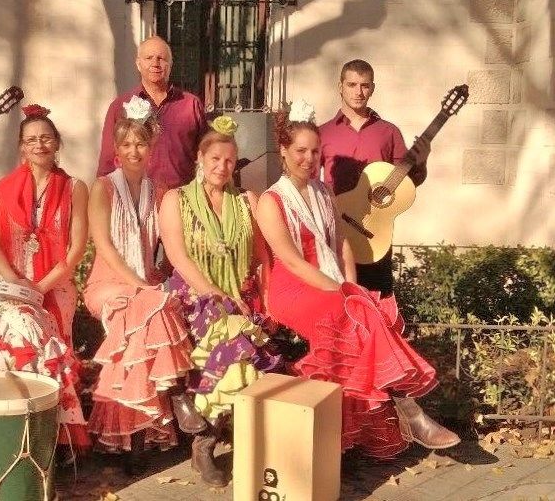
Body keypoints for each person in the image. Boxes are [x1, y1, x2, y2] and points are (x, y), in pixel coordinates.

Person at [257, 104, 460, 458]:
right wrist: (344, 292)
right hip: (291, 289)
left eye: (315, 151)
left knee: (361, 312)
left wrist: (353, 288)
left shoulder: (323, 193)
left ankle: (343, 438)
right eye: (301, 151)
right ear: (284, 151)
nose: (309, 159)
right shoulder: (271, 200)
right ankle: (407, 409)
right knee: (355, 313)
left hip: (329, 285)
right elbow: (291, 261)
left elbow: (342, 245)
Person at [159, 116, 280, 487]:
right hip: (192, 294)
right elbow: (177, 255)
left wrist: (267, 301)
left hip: (240, 296)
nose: (221, 167)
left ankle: (211, 441)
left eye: (229, 161)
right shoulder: (176, 199)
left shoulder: (246, 201)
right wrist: (216, 293)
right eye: (214, 159)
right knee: (231, 337)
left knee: (245, 340)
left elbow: (261, 257)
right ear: (200, 158)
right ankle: (206, 443)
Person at [84, 111, 204, 474]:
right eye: (126, 144)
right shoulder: (103, 188)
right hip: (107, 283)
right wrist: (141, 285)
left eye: (140, 143)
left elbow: (173, 242)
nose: (134, 151)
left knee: (146, 316)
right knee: (152, 304)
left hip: (146, 286)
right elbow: (104, 246)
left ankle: (133, 440)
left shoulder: (160, 191)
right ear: (116, 150)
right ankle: (178, 395)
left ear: (151, 149)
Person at [0, 104, 90, 451]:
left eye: (46, 138)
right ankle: (8, 435)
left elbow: (76, 248)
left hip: (56, 285)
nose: (40, 144)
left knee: (51, 356)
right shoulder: (2, 189)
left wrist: (40, 287)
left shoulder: (74, 188)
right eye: (31, 139)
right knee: (14, 350)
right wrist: (19, 284)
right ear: (22, 147)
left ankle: (52, 439)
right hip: (15, 287)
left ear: (57, 142)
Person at [319, 59, 431, 295]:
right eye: (352, 84)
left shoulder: (389, 132)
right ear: (340, 86)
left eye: (365, 85)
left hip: (375, 233)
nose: (358, 92)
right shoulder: (323, 133)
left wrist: (422, 161)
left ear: (372, 88)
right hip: (335, 231)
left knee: (378, 302)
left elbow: (407, 183)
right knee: (335, 300)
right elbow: (308, 183)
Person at [97, 36, 206, 189]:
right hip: (135, 197)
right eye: (149, 58)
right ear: (138, 64)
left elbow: (206, 154)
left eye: (161, 58)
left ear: (170, 65)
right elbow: (108, 161)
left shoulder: (191, 105)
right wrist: (104, 193)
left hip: (182, 196)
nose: (155, 63)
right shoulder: (120, 106)